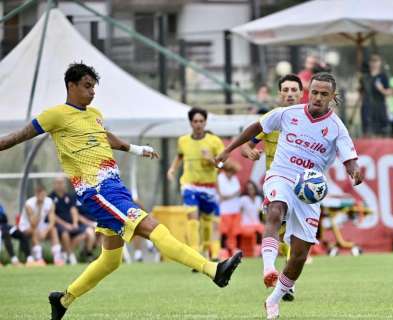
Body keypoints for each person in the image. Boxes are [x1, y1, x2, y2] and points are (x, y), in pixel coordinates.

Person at [0, 63, 241, 320]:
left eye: (94, 87)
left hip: (115, 188)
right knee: (152, 227)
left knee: (110, 260)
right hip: (97, 191)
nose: (92, 92)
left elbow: (105, 136)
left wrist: (137, 149)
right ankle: (212, 270)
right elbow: (16, 137)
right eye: (87, 86)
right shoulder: (55, 115)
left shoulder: (94, 113)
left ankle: (63, 300)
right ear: (71, 86)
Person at [215, 72, 363, 319]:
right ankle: (268, 268)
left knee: (299, 255)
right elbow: (257, 127)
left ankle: (273, 300)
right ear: (309, 91)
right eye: (314, 92)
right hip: (281, 175)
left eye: (323, 94)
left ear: (332, 97)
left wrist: (355, 171)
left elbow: (350, 159)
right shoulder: (288, 114)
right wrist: (228, 150)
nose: (317, 97)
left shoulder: (336, 127)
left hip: (308, 190)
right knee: (275, 210)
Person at [240, 73, 303, 302]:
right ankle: (277, 277)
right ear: (279, 94)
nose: (289, 94)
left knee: (295, 237)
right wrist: (251, 152)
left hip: (301, 186)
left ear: (300, 93)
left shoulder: (310, 120)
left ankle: (286, 280)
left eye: (293, 90)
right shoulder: (270, 120)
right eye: (285, 90)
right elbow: (245, 147)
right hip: (277, 183)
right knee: (279, 226)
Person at [168, 107, 226, 261]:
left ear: (205, 122)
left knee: (207, 222)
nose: (198, 124)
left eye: (201, 121)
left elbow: (222, 165)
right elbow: (179, 156)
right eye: (195, 121)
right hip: (189, 185)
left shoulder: (214, 141)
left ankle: (211, 252)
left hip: (208, 187)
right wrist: (172, 169)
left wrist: (211, 160)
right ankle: (195, 254)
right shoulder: (183, 140)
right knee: (192, 218)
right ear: (190, 123)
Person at [50, 177, 95, 265]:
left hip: (71, 224)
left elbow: (73, 210)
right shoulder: (51, 197)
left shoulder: (69, 196)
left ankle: (71, 253)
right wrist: (65, 224)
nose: (60, 185)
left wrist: (74, 223)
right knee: (65, 233)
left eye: (62, 183)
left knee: (87, 233)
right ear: (54, 184)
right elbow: (53, 215)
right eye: (58, 183)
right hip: (59, 225)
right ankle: (69, 255)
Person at [19, 183, 64, 266]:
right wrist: (39, 207)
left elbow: (52, 221)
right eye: (40, 195)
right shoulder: (29, 204)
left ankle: (57, 259)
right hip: (25, 227)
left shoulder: (49, 202)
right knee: (34, 230)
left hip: (41, 226)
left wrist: (46, 231)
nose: (42, 197)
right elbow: (33, 223)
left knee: (53, 230)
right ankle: (39, 259)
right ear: (36, 194)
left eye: (43, 195)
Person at [360, 54, 390, 137]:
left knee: (382, 131)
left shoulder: (383, 76)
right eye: (372, 61)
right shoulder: (365, 77)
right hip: (367, 107)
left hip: (380, 107)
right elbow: (361, 92)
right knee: (368, 131)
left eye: (376, 61)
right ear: (369, 63)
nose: (374, 63)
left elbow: (388, 92)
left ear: (380, 63)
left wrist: (381, 89)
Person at [217, 161, 242, 256]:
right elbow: (223, 195)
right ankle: (222, 250)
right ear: (227, 170)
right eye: (231, 172)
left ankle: (233, 249)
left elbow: (237, 192)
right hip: (224, 210)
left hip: (235, 209)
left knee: (234, 232)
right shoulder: (220, 178)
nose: (233, 174)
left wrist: (232, 195)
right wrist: (233, 194)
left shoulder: (234, 178)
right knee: (223, 232)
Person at [0, 202, 31, 266]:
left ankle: (30, 259)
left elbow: (4, 218)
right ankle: (14, 260)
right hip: (2, 229)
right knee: (5, 234)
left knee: (21, 234)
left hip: (5, 226)